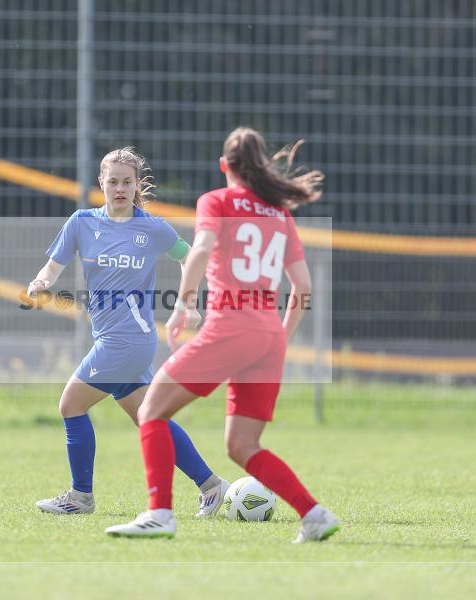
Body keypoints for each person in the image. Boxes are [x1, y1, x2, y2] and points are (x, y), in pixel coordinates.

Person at [105, 128, 339, 542]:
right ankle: (315, 515)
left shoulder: (217, 200)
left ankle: (159, 514)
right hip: (268, 334)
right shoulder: (280, 214)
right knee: (242, 446)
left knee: (152, 411)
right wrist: (282, 337)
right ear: (262, 166)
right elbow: (302, 287)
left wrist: (183, 303)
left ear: (224, 166)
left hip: (232, 325)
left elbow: (200, 250)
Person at [29, 147, 229, 516]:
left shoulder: (151, 227)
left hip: (129, 340)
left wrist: (188, 302)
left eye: (127, 182)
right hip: (111, 337)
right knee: (149, 418)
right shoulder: (81, 222)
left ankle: (80, 497)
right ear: (101, 184)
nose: (119, 188)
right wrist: (40, 282)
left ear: (137, 185)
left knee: (70, 405)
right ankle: (212, 486)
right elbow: (52, 268)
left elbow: (191, 256)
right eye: (113, 182)